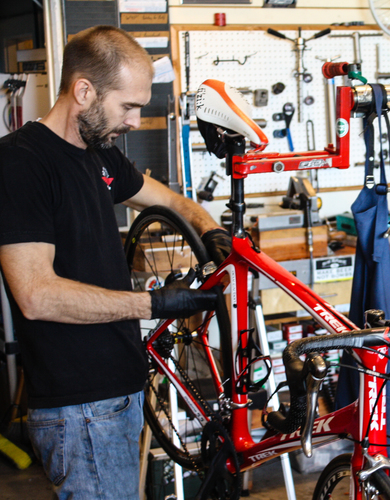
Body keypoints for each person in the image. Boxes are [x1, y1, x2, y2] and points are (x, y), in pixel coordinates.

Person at [0, 26, 232, 499]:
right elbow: (35, 294)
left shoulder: (99, 153)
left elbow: (167, 200)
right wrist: (151, 305)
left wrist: (210, 229)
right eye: (127, 106)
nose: (133, 121)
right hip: (79, 408)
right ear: (83, 90)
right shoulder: (21, 165)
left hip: (119, 390)